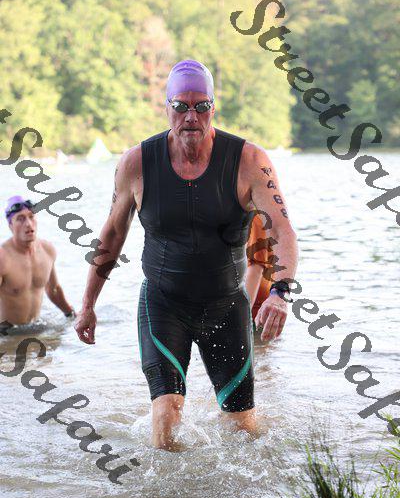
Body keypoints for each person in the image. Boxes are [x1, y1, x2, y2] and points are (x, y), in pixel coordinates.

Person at [74, 59, 298, 450]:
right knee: (166, 418)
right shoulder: (136, 163)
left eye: (201, 106)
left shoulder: (249, 161)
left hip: (226, 306)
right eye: (181, 106)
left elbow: (283, 231)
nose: (191, 116)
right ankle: (167, 490)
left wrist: (280, 293)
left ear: (213, 107)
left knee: (243, 432)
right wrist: (87, 305)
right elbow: (111, 235)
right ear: (167, 107)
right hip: (164, 303)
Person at [0, 196, 75, 333]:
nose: (28, 224)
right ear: (10, 225)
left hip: (35, 327)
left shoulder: (47, 250)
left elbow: (53, 290)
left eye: (31, 217)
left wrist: (72, 315)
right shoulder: (3, 258)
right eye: (20, 219)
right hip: (6, 333)